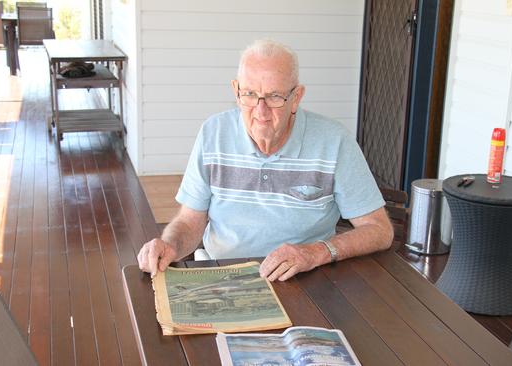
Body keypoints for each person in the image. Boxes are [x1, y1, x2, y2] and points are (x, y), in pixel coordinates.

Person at [137, 39, 393, 281]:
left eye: (274, 97)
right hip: (224, 275)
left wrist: (316, 252)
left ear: (296, 97)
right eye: (250, 94)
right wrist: (169, 245)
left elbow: (380, 230)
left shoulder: (335, 141)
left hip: (307, 279)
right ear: (236, 91)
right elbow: (189, 221)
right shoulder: (212, 133)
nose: (261, 111)